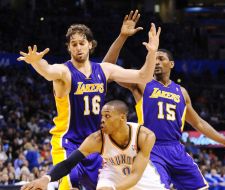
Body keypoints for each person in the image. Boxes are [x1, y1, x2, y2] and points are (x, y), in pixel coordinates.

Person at [17, 10, 161, 189]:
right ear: (69, 47)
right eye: (74, 44)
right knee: (69, 183)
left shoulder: (104, 69)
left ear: (90, 45)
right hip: (68, 141)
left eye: (82, 43)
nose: (78, 47)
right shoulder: (65, 72)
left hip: (97, 142)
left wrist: (152, 52)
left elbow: (143, 77)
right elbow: (48, 71)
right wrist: (36, 62)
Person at [104, 37, 225, 189]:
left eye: (161, 59)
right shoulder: (141, 83)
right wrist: (123, 36)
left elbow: (199, 123)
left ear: (171, 64)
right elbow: (108, 68)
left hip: (176, 149)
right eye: (155, 58)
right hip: (151, 148)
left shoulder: (182, 92)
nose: (157, 62)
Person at [21, 100, 167, 190]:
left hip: (142, 177)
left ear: (122, 118)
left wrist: (114, 189)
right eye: (102, 116)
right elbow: (68, 164)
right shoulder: (96, 139)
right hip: (112, 174)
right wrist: (45, 178)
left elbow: (135, 175)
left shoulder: (145, 136)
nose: (102, 120)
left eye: (107, 116)